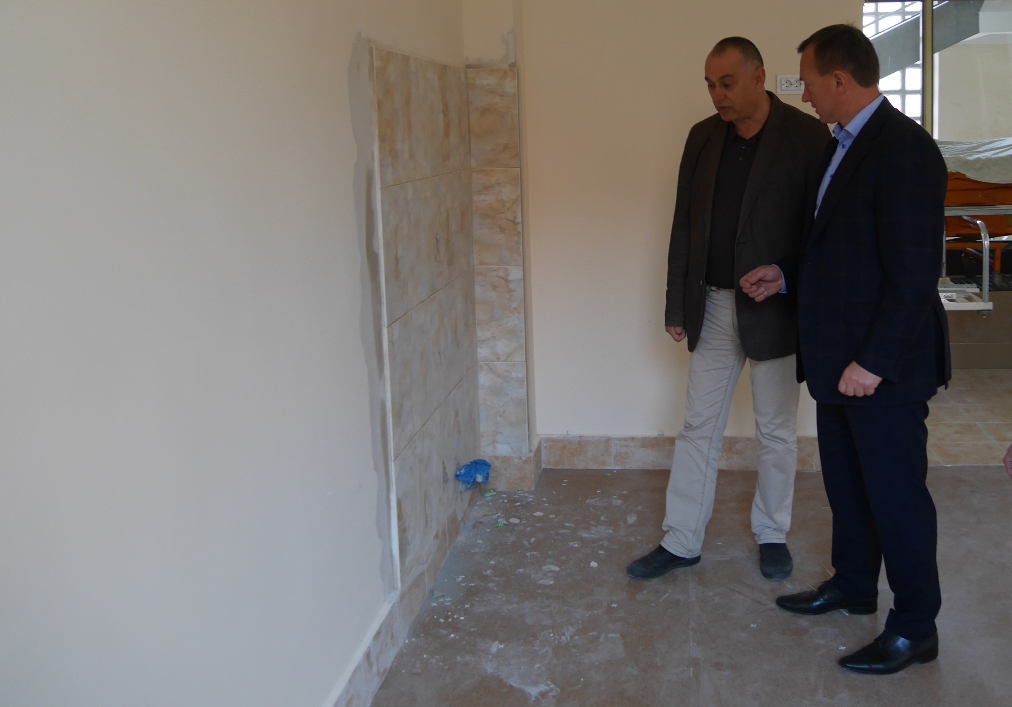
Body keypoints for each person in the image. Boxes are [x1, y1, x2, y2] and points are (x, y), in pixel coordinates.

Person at [742, 24, 951, 676]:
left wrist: (875, 362)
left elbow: (913, 276)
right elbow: (841, 250)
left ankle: (915, 627)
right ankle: (855, 584)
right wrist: (785, 274)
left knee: (896, 498)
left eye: (808, 81)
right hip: (838, 362)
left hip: (882, 369)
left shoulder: (905, 149)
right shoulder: (841, 144)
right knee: (849, 488)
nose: (803, 93)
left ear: (838, 79)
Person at [627, 37, 830, 583]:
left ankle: (772, 532)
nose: (718, 94)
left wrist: (786, 275)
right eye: (711, 85)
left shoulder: (808, 136)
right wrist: (677, 304)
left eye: (728, 83)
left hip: (776, 309)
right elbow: (684, 224)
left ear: (759, 77)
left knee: (776, 431)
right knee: (698, 426)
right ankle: (681, 539)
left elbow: (823, 233)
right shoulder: (702, 137)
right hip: (713, 304)